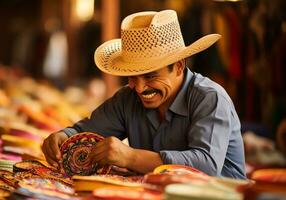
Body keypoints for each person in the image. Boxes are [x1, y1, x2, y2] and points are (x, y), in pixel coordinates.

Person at [42, 10, 246, 179]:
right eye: (132, 77)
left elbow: (205, 167)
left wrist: (131, 158)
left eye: (150, 76)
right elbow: (85, 131)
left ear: (178, 66)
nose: (139, 88)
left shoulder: (210, 98)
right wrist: (63, 137)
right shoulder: (127, 98)